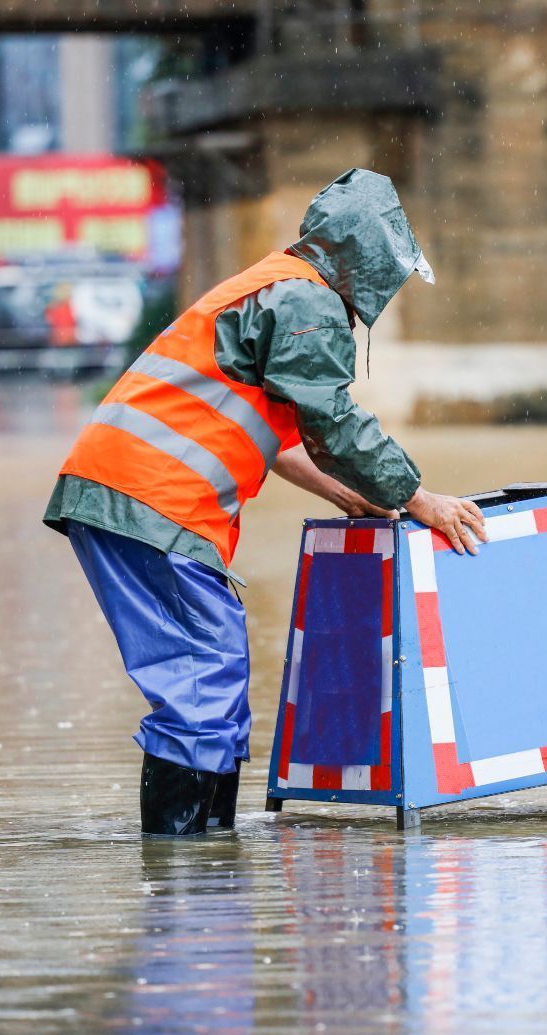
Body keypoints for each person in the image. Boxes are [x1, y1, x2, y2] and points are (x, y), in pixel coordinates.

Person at [44, 169, 488, 836]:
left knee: (210, 675)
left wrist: (347, 491)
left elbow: (278, 436)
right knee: (202, 678)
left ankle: (202, 863)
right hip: (154, 503)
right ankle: (186, 876)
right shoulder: (307, 301)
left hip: (126, 496)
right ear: (365, 256)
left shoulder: (271, 284)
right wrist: (418, 497)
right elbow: (332, 421)